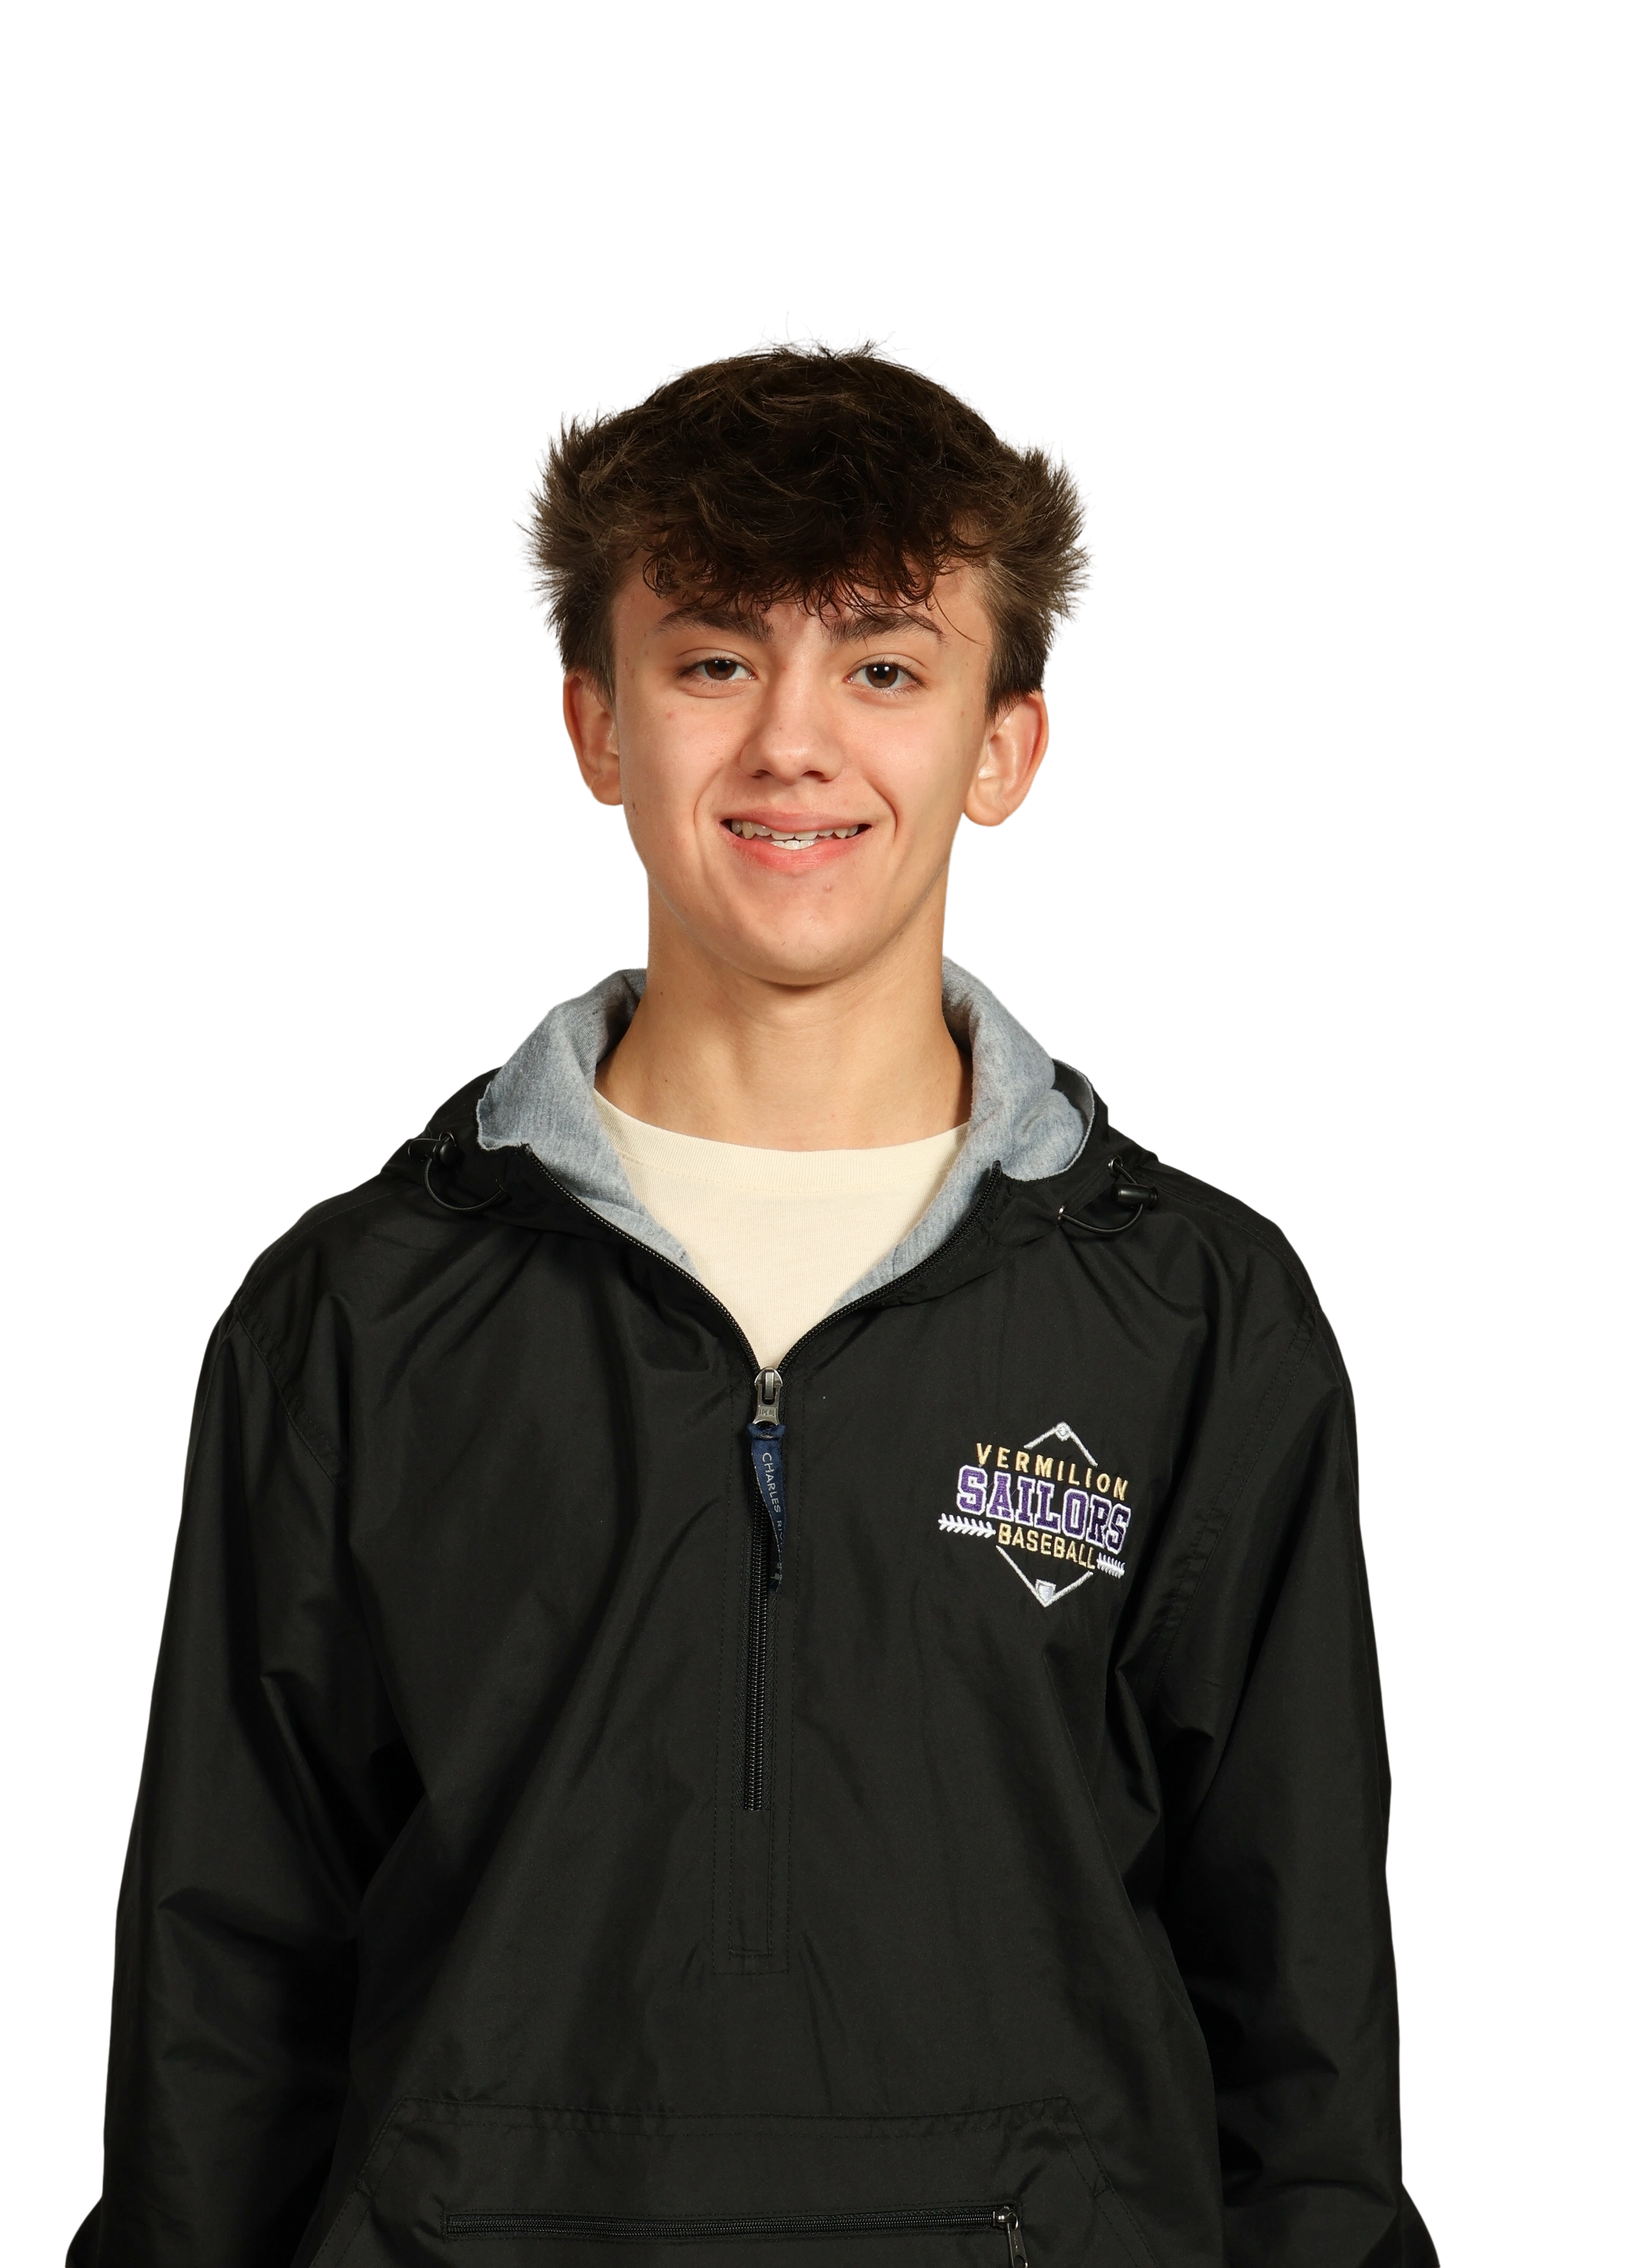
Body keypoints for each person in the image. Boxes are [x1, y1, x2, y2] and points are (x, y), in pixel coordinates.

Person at [67, 318, 1437, 2267]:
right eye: (715, 660)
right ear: (596, 727)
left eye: (884, 666)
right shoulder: (352, 1316)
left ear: (1007, 739)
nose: (794, 741)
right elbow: (223, 1993)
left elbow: (1301, 2025)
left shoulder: (1199, 1315)